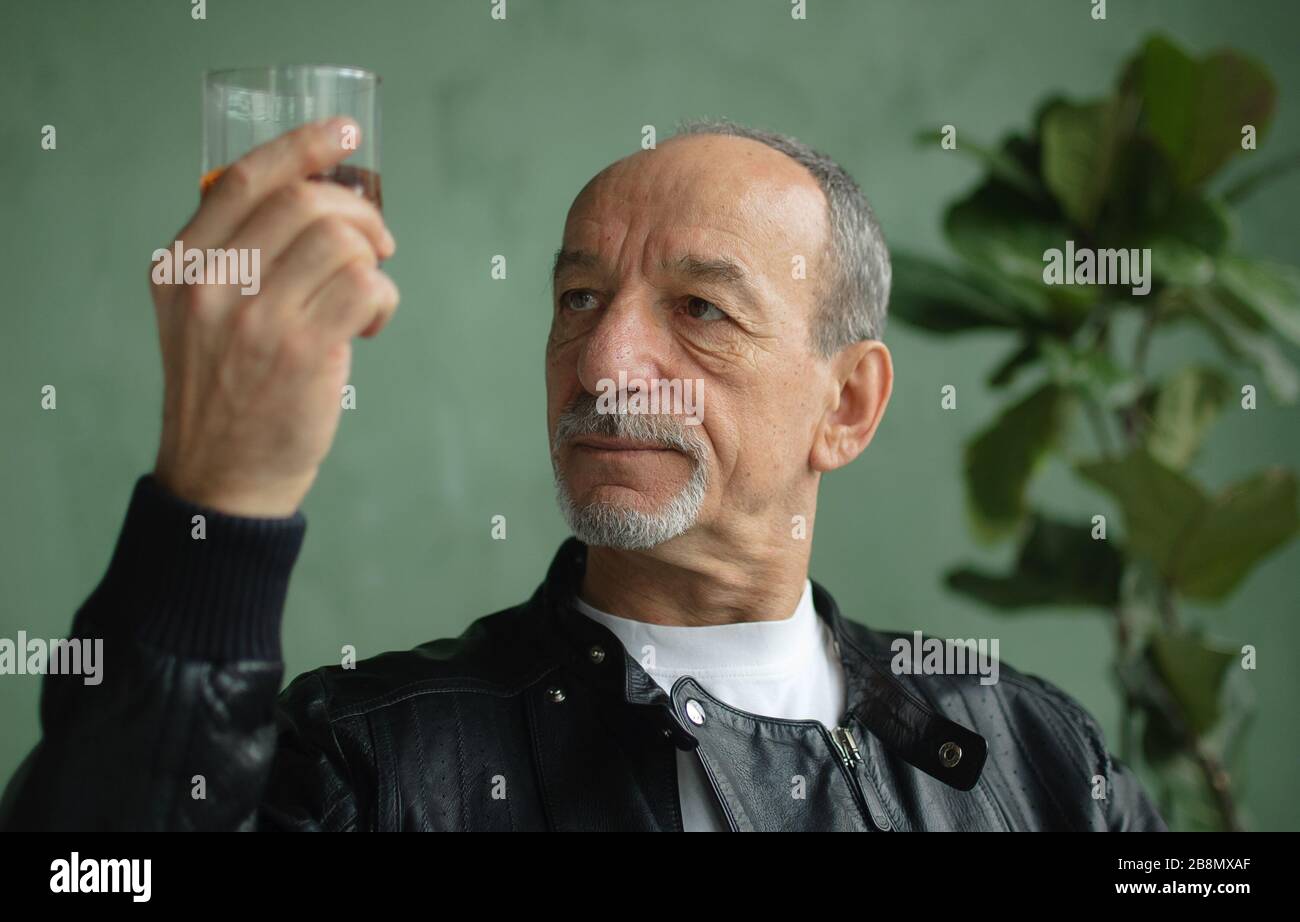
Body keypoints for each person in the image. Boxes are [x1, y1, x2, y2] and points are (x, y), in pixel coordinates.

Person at [0, 117, 1165, 831]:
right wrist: (217, 505)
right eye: (577, 300)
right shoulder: (371, 763)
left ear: (846, 405)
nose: (605, 367)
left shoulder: (1036, 755)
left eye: (700, 310)